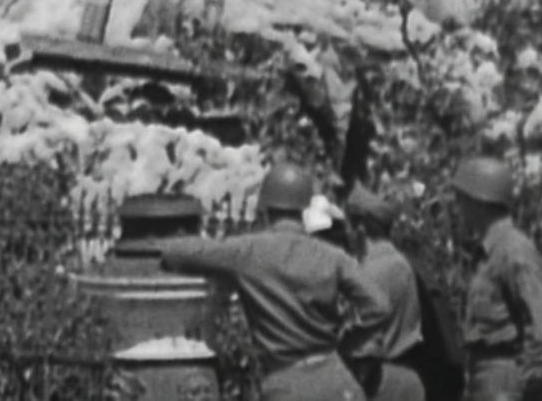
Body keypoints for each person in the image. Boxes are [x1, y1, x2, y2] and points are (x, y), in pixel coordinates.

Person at [159, 162, 391, 401]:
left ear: (265, 210)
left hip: (287, 384)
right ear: (304, 209)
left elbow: (181, 253)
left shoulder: (249, 252)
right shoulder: (333, 256)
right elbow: (379, 306)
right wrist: (348, 341)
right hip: (337, 380)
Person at [451, 156, 542, 400]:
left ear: (481, 201)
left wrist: (520, 384)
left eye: (462, 200)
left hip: (504, 377)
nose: (459, 208)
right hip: (486, 374)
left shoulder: (513, 250)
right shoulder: (492, 250)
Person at [340, 187, 430, 401]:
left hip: (376, 382)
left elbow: (361, 340)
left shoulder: (369, 271)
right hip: (409, 379)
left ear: (360, 228)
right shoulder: (403, 264)